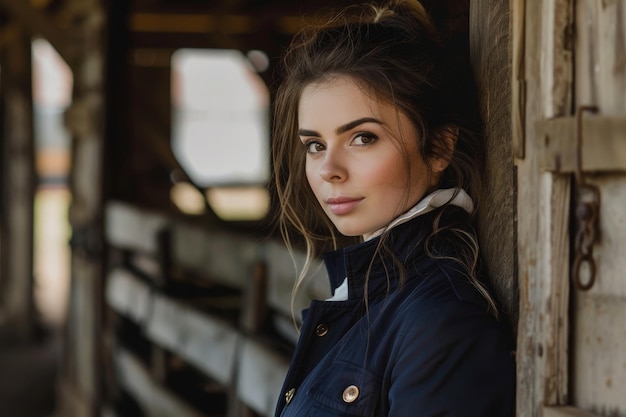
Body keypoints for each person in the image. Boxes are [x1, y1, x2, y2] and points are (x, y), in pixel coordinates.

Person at [270, 0, 516, 416]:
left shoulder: (442, 324)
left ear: (439, 146)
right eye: (315, 145)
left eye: (362, 138)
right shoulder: (374, 296)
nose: (328, 170)